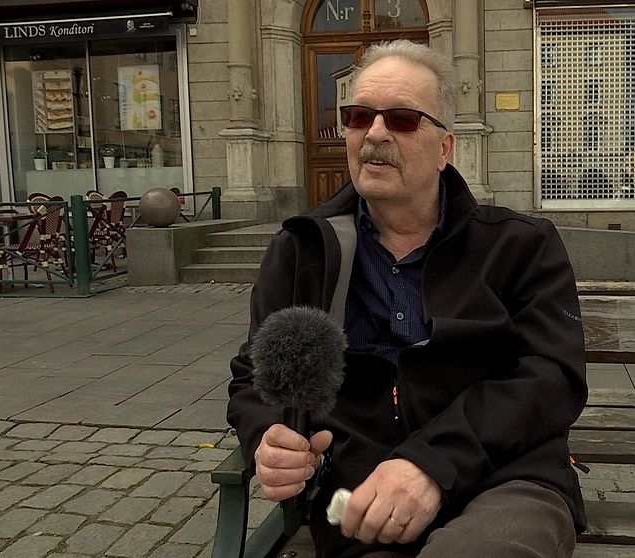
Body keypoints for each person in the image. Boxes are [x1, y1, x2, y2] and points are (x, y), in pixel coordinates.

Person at [228, 39, 587, 558]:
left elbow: (553, 377)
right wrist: (268, 438)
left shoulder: (520, 245)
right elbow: (254, 376)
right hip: (362, 501)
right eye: (357, 116)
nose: (373, 133)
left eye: (400, 119)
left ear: (445, 148)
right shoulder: (302, 250)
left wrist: (429, 464)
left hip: (507, 482)